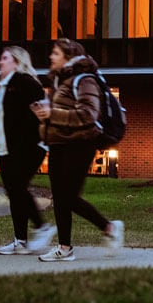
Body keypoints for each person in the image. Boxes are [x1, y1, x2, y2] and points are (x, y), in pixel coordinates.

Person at [32, 38, 123, 262]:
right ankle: (66, 247)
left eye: (55, 53)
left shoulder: (84, 80)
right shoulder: (60, 82)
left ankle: (106, 228)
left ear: (68, 56)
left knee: (68, 197)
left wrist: (52, 113)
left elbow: (88, 115)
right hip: (58, 145)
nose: (51, 56)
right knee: (60, 198)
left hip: (80, 144)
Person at [0, 46, 56, 255]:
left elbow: (39, 110)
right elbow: (1, 118)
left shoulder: (25, 82)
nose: (0, 62)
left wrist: (40, 122)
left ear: (17, 62)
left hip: (29, 146)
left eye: (4, 58)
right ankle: (20, 240)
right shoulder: (2, 87)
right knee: (13, 191)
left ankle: (42, 227)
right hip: (6, 147)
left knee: (17, 187)